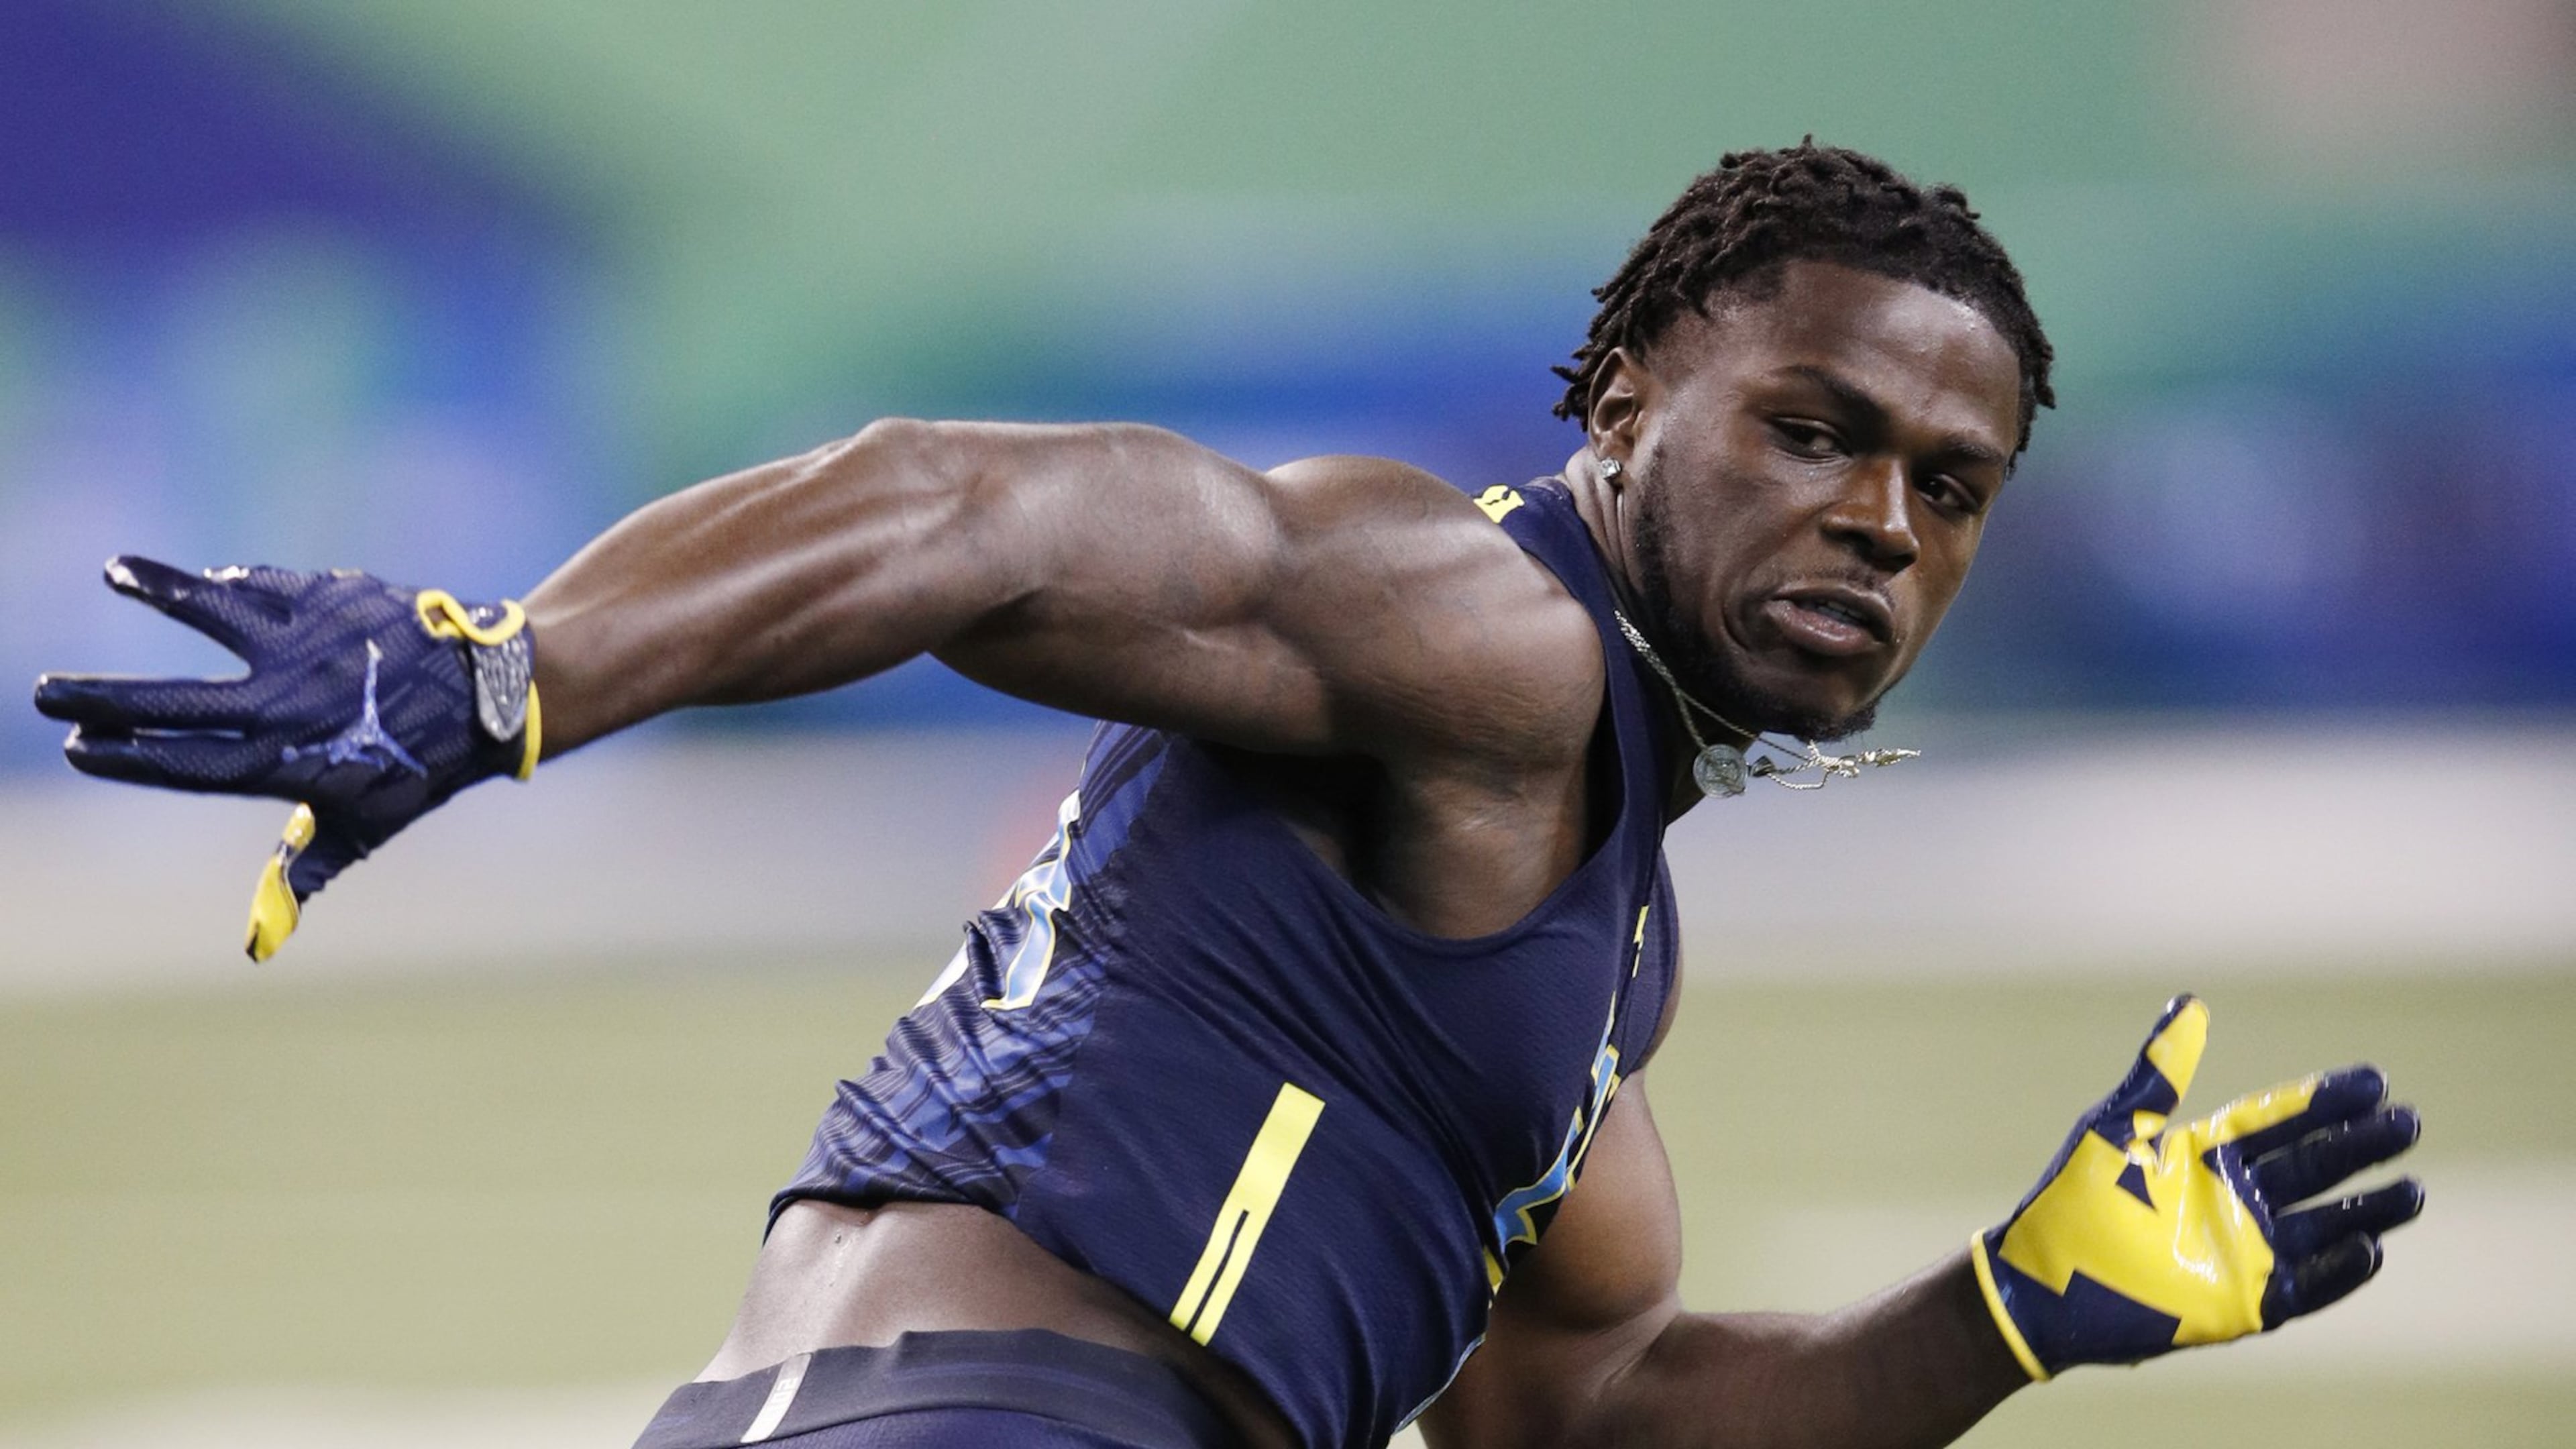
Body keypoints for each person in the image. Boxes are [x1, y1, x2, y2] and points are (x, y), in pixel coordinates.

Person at [34, 142, 2423, 1449]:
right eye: (1814, 433)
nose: (1885, 520)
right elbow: (977, 507)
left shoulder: (1584, 963)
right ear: (1618, 416)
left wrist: (2004, 1315)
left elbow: (1573, 1430)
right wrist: (518, 669)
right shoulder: (1481, 639)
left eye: (1951, 483)